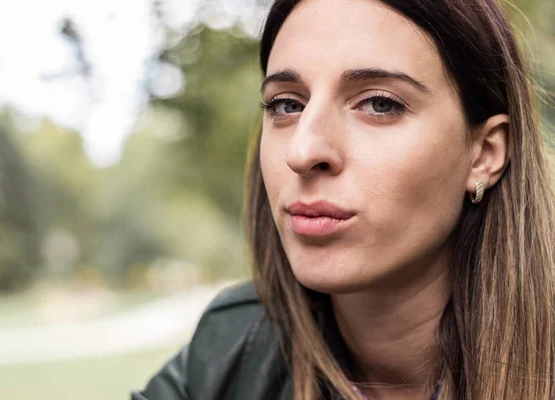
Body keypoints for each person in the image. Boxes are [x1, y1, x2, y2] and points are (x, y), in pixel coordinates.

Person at [132, 0, 555, 399]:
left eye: (379, 103)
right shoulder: (231, 350)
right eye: (286, 105)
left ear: (484, 154)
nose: (302, 151)